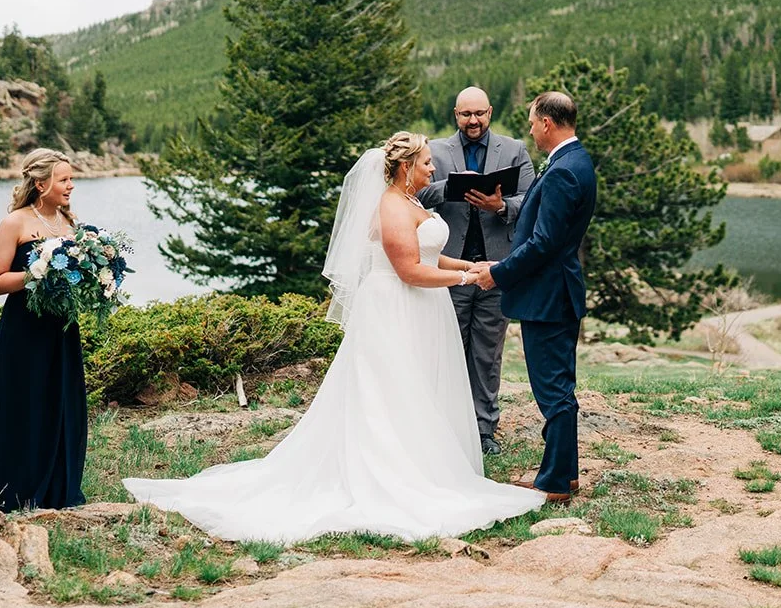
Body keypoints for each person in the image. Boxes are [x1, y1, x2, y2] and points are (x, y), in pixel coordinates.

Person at [124, 132, 545, 542]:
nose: (434, 167)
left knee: (418, 388)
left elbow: (428, 254)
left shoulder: (410, 200)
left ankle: (424, 463)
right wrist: (466, 279)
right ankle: (394, 474)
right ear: (405, 167)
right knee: (392, 392)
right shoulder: (392, 207)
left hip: (421, 306)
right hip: (397, 306)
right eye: (426, 162)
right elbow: (408, 270)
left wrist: (474, 265)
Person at [474, 92, 598, 503]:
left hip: (549, 296)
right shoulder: (575, 161)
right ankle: (566, 472)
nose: (529, 129)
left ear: (547, 123)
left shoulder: (564, 170)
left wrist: (498, 273)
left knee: (553, 389)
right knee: (558, 384)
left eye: (532, 121)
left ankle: (555, 483)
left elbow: (544, 243)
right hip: (555, 293)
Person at [417, 86, 534, 455]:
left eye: (480, 114)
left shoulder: (514, 150)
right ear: (455, 114)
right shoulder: (433, 150)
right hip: (447, 270)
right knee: (443, 350)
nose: (473, 121)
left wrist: (500, 206)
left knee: (487, 353)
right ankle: (441, 426)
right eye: (466, 114)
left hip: (495, 270)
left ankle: (484, 431)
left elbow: (530, 200)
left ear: (490, 112)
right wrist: (450, 189)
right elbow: (411, 197)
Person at [0, 148, 88, 511]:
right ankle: (11, 489)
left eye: (71, 178)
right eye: (64, 179)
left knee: (62, 402)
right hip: (25, 328)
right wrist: (39, 274)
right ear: (41, 184)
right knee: (24, 402)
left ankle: (59, 486)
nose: (71, 185)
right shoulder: (16, 224)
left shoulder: (70, 224)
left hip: (62, 328)